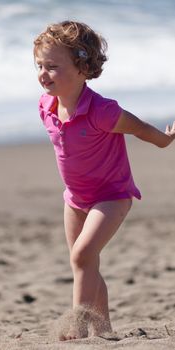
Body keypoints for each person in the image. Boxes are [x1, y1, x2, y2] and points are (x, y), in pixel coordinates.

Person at [33, 20, 175, 340]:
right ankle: (104, 331)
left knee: (82, 256)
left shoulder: (103, 111)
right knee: (86, 263)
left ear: (83, 68)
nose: (43, 73)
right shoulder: (46, 106)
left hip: (112, 195)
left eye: (53, 66)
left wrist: (164, 141)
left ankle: (78, 327)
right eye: (39, 65)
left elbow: (138, 128)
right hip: (75, 197)